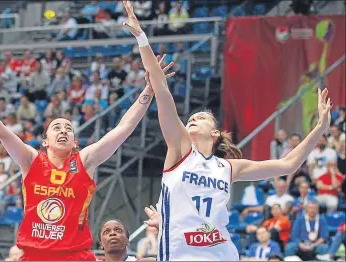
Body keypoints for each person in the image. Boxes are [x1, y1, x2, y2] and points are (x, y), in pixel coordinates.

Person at [122, 0, 333, 260]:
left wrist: (320, 128)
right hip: (180, 254)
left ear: (215, 133)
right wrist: (141, 37)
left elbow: (288, 164)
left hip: (221, 253)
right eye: (192, 118)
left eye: (201, 117)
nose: (193, 119)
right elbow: (162, 89)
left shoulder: (229, 168)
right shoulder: (179, 148)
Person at [0, 59, 175, 261]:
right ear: (45, 141)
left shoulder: (85, 161)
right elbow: (2, 132)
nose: (63, 131)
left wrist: (148, 90)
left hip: (75, 255)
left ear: (75, 142)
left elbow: (123, 128)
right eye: (57, 128)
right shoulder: (30, 159)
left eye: (68, 128)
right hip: (34, 255)